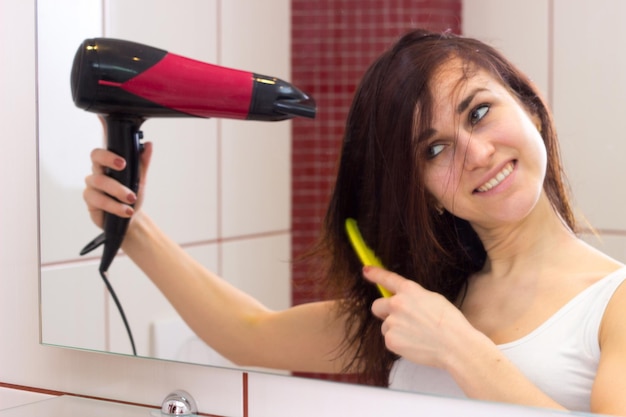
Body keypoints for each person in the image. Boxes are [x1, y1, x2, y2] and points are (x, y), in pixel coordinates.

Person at [83, 28, 626, 415]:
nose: (476, 153)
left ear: (530, 106)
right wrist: (133, 226)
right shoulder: (428, 298)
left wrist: (459, 348)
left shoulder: (612, 305)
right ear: (424, 193)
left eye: (478, 111)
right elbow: (250, 334)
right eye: (435, 149)